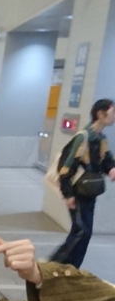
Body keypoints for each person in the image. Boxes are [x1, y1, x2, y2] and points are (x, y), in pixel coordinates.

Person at [50, 98, 115, 268]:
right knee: (81, 231)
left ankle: (71, 268)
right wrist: (68, 194)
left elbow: (107, 160)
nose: (114, 116)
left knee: (85, 233)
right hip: (78, 192)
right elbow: (66, 167)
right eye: (112, 111)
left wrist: (111, 169)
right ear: (100, 114)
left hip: (89, 192)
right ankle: (55, 265)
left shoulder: (100, 138)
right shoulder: (83, 137)